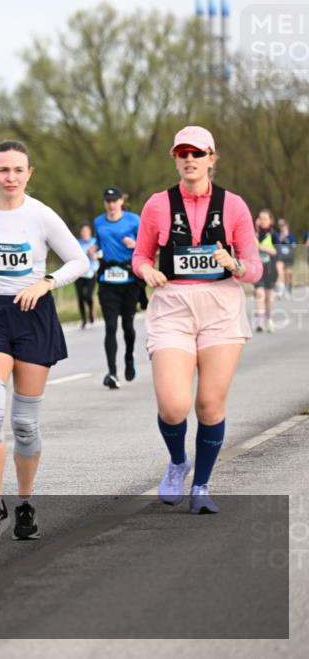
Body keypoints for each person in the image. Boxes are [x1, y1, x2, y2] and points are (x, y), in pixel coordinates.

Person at [0, 140, 88, 544]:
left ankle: (25, 503)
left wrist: (47, 283)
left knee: (24, 423)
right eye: (3, 170)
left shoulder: (41, 215)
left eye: (18, 170)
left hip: (33, 316)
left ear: (29, 173)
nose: (11, 177)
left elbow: (79, 260)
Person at [133, 125, 262, 514]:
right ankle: (177, 463)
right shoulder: (157, 205)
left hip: (221, 308)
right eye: (182, 153)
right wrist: (147, 272)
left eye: (197, 153)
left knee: (209, 404)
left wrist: (234, 263)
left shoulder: (234, 205)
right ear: (174, 158)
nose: (189, 159)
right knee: (173, 406)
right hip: (172, 306)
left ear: (212, 158)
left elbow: (255, 268)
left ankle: (202, 486)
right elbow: (140, 256)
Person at [94, 186, 142, 389]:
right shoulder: (98, 222)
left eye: (114, 201)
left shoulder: (134, 220)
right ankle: (112, 372)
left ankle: (129, 357)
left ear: (122, 201)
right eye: (108, 201)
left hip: (129, 281)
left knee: (127, 326)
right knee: (110, 327)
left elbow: (148, 246)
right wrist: (93, 250)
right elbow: (99, 243)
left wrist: (136, 244)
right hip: (108, 281)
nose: (111, 204)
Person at [253, 209, 279, 333]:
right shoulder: (254, 233)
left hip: (270, 270)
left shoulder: (274, 235)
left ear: (270, 221)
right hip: (257, 269)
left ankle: (270, 320)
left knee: (269, 297)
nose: (262, 220)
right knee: (259, 294)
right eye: (260, 218)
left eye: (265, 218)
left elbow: (276, 251)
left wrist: (262, 247)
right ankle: (260, 321)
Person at [74, 222, 99, 328]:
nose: (85, 233)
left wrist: (93, 255)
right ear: (80, 233)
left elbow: (99, 256)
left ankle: (91, 313)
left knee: (88, 295)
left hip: (91, 272)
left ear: (90, 232)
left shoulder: (94, 242)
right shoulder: (76, 243)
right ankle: (84, 320)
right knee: (80, 297)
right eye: (83, 231)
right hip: (79, 274)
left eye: (87, 231)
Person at [276, 218, 296, 298]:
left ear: (287, 227)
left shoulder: (291, 236)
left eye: (283, 226)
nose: (282, 228)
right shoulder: (278, 235)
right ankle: (280, 290)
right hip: (280, 256)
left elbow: (294, 245)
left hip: (288, 257)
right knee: (280, 272)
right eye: (280, 226)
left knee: (287, 274)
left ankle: (288, 289)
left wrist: (287, 241)